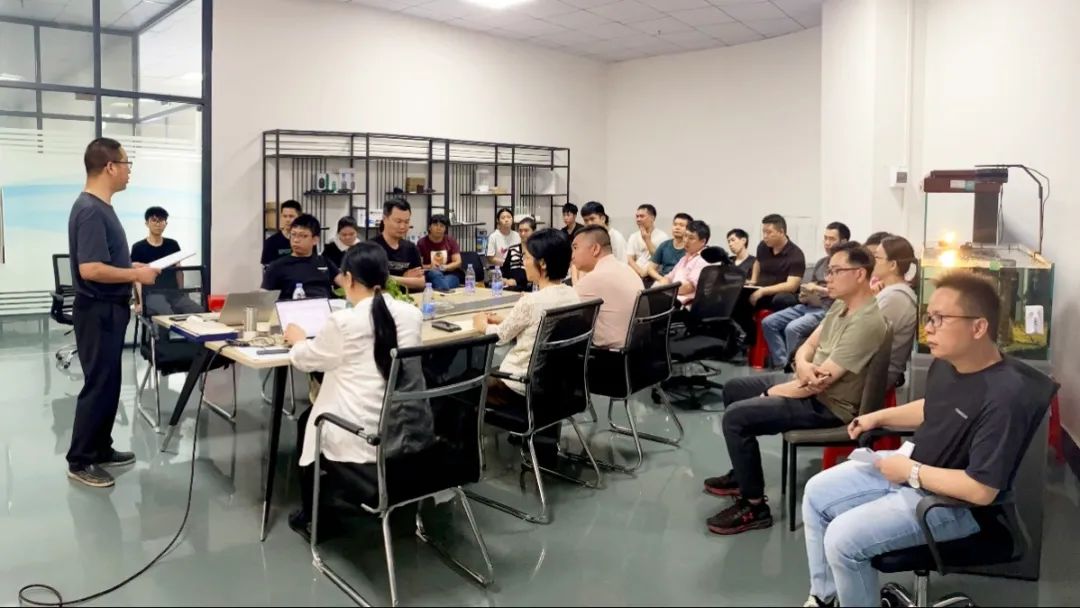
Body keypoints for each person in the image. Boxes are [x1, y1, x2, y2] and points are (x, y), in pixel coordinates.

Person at [801, 272, 1040, 608]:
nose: (928, 328)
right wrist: (878, 417)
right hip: (913, 467)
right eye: (928, 317)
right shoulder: (949, 364)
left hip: (953, 504)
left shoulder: (1005, 397)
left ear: (978, 327)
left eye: (940, 319)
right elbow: (933, 407)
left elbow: (981, 491)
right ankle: (824, 597)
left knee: (842, 538)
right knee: (816, 492)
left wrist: (911, 472)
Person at [704, 241, 887, 535]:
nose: (827, 277)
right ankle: (742, 474)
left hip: (828, 405)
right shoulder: (842, 305)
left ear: (860, 274)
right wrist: (802, 364)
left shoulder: (867, 322)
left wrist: (772, 392)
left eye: (836, 271)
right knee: (734, 388)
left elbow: (818, 385)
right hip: (806, 383)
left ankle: (755, 506)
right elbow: (808, 345)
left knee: (736, 417)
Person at [283, 241, 424, 540]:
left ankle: (313, 517)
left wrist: (297, 340)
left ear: (347, 279)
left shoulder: (343, 321)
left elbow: (308, 360)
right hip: (406, 430)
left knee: (308, 420)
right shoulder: (411, 314)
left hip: (365, 436)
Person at [66, 137, 161, 488]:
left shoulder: (100, 207)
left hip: (110, 309)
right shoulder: (91, 210)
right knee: (99, 384)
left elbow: (103, 260)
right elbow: (90, 269)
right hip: (97, 310)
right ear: (109, 167)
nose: (128, 171)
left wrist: (129, 266)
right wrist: (136, 275)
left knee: (110, 382)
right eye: (125, 164)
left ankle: (100, 448)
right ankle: (80, 460)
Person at [473, 229, 578, 465]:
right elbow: (538, 325)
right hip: (556, 386)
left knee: (462, 384)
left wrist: (482, 325)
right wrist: (509, 319)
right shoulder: (573, 295)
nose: (524, 263)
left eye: (528, 258)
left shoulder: (531, 301)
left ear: (543, 264)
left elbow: (499, 337)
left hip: (518, 387)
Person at [761, 222, 850, 368]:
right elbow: (812, 285)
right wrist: (805, 294)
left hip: (827, 309)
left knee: (792, 328)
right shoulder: (821, 263)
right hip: (808, 305)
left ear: (844, 242)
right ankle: (782, 363)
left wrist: (818, 289)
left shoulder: (848, 266)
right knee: (768, 322)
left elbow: (844, 292)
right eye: (825, 238)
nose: (827, 243)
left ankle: (794, 367)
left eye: (831, 239)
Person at [733, 214, 808, 346]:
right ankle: (748, 337)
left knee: (782, 299)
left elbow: (792, 285)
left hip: (782, 294)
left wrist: (763, 291)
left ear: (781, 232)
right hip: (761, 290)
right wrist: (753, 281)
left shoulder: (796, 254)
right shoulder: (763, 246)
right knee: (736, 296)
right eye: (763, 232)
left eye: (769, 232)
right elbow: (758, 262)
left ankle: (778, 341)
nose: (765, 236)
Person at [572, 225, 643, 349]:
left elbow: (560, 307)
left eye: (575, 248)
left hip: (609, 354)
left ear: (595, 249)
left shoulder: (595, 278)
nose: (572, 255)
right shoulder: (626, 268)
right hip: (637, 346)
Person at [129, 205, 200, 316]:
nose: (158, 224)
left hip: (173, 293)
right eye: (154, 220)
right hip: (151, 294)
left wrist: (181, 292)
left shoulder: (172, 244)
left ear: (165, 224)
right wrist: (139, 302)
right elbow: (136, 277)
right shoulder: (138, 247)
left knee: (198, 310)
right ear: (147, 223)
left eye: (161, 220)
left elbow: (178, 271)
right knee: (167, 314)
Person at [870, 235, 919, 388]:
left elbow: (866, 338)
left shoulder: (895, 298)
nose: (872, 261)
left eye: (877, 257)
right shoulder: (889, 292)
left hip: (875, 375)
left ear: (892, 265)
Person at [262, 214, 345, 300]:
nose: (296, 240)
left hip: (324, 306)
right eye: (293, 234)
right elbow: (263, 298)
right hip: (292, 307)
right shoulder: (276, 266)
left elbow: (346, 284)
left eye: (303, 236)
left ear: (315, 240)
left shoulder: (324, 262)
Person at [373, 198, 425, 291]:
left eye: (406, 222)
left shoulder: (411, 248)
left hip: (408, 298)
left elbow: (421, 282)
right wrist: (405, 278)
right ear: (385, 219)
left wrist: (392, 278)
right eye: (398, 221)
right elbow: (374, 281)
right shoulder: (371, 248)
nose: (402, 226)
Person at [657, 220, 712, 307]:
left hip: (684, 306)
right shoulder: (684, 258)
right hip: (671, 298)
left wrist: (665, 289)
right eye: (685, 236)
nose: (686, 240)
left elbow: (689, 287)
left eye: (691, 238)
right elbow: (669, 277)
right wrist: (661, 285)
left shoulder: (703, 260)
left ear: (703, 241)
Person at [417, 214, 463, 291]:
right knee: (435, 274)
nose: (438, 228)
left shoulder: (451, 241)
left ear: (445, 229)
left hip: (450, 274)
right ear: (429, 227)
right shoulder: (421, 243)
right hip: (431, 273)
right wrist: (429, 266)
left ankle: (436, 289)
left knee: (445, 283)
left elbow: (458, 262)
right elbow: (419, 265)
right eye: (435, 225)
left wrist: (445, 267)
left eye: (442, 226)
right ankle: (442, 290)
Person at [626, 204, 670, 280]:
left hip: (653, 276)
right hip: (635, 275)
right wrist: (640, 272)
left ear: (652, 218)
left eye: (642, 216)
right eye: (637, 216)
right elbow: (630, 259)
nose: (638, 219)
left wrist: (647, 240)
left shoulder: (663, 237)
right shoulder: (633, 236)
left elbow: (659, 260)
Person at [646, 213, 692, 284]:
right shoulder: (665, 245)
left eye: (681, 225)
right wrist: (662, 279)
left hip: (681, 283)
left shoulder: (692, 248)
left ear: (689, 230)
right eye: (675, 224)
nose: (677, 228)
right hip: (664, 281)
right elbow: (650, 268)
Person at [262, 200, 302, 265]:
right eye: (284, 216)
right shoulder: (271, 242)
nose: (287, 220)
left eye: (291, 216)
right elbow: (268, 268)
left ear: (299, 217)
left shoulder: (308, 241)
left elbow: (312, 265)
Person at [502, 217, 536, 291]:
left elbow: (536, 274)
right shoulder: (512, 249)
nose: (523, 234)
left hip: (530, 289)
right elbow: (505, 270)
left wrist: (516, 281)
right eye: (520, 231)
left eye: (526, 230)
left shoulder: (538, 250)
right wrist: (504, 280)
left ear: (534, 231)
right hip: (511, 288)